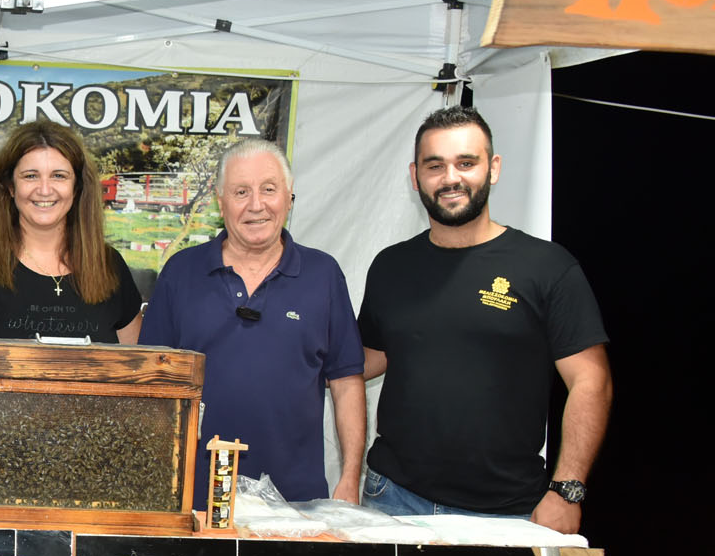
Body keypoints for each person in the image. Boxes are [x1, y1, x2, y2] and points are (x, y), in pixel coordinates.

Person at [358, 106, 610, 533]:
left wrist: (567, 490)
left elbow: (591, 381)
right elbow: (369, 357)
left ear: (492, 169)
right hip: (393, 499)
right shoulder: (390, 265)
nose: (450, 178)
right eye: (435, 165)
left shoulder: (548, 267)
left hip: (506, 512)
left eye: (466, 163)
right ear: (415, 176)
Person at [139, 137, 365, 508]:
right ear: (220, 200)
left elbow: (346, 382)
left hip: (296, 502)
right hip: (192, 498)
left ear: (289, 197)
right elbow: (151, 384)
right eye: (241, 191)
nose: (256, 205)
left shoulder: (323, 275)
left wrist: (350, 479)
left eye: (269, 189)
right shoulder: (181, 272)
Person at [0, 119, 142, 343]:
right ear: (10, 186)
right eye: (30, 176)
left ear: (77, 187)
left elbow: (137, 362)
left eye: (59, 176)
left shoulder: (109, 266)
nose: (44, 190)